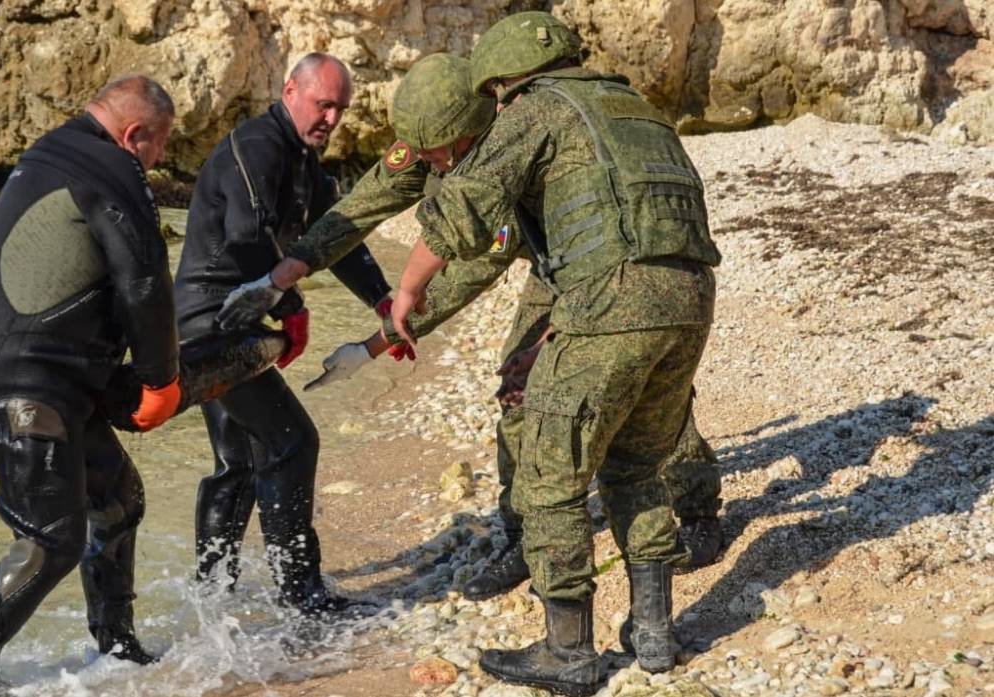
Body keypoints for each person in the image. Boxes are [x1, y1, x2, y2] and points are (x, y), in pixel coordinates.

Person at [228, 54, 723, 605]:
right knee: (517, 389)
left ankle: (698, 506)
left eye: (439, 153)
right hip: (551, 260)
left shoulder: (507, 144)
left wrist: (378, 342)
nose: (429, 162)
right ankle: (522, 533)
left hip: (593, 260)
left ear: (469, 130)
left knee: (645, 382)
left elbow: (472, 269)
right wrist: (285, 274)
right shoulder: (429, 138)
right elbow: (361, 208)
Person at [387, 12, 722, 696]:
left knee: (549, 474)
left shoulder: (538, 107)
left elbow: (464, 208)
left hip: (615, 300)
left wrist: (407, 290)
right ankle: (654, 630)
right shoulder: (633, 106)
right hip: (690, 297)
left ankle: (568, 650)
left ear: (505, 82)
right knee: (637, 462)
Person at [0, 75, 181, 691]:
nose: (158, 162)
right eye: (158, 148)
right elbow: (144, 280)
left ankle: (118, 654)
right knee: (49, 540)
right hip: (27, 384)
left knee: (119, 500)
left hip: (52, 380)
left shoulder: (54, 153)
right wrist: (161, 380)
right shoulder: (113, 167)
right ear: (134, 134)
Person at [174, 53, 392, 616]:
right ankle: (302, 595)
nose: (331, 119)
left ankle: (212, 599)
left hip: (230, 323)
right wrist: (292, 308)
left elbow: (336, 237)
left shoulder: (304, 163)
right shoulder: (258, 147)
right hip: (212, 325)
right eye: (323, 104)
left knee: (241, 462)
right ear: (289, 88)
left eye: (340, 110)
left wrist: (384, 301)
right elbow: (248, 238)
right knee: (293, 442)